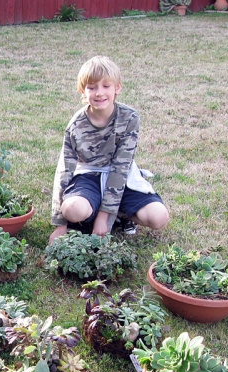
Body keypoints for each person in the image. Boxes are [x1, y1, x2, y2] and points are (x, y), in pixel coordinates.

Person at [49, 56, 169, 243]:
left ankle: (122, 216)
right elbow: (64, 170)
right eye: (92, 87)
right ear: (83, 90)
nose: (99, 93)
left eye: (106, 86)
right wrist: (60, 224)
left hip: (120, 177)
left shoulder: (129, 118)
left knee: (159, 217)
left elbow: (120, 169)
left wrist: (104, 218)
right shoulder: (76, 125)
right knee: (73, 209)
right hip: (89, 175)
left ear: (117, 88)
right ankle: (90, 211)